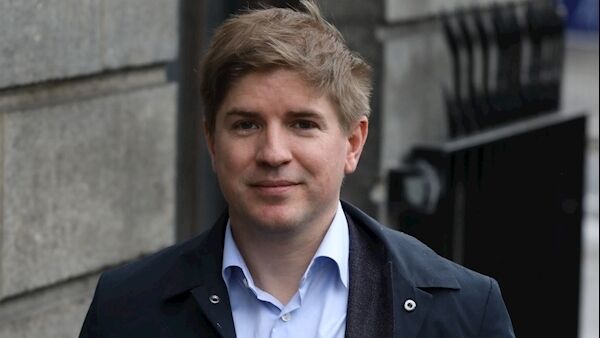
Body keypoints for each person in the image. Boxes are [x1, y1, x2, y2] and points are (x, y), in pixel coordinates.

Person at [79, 1, 515, 337]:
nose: (273, 152)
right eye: (246, 124)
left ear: (353, 142)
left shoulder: (463, 313)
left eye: (302, 124)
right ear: (212, 142)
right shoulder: (127, 308)